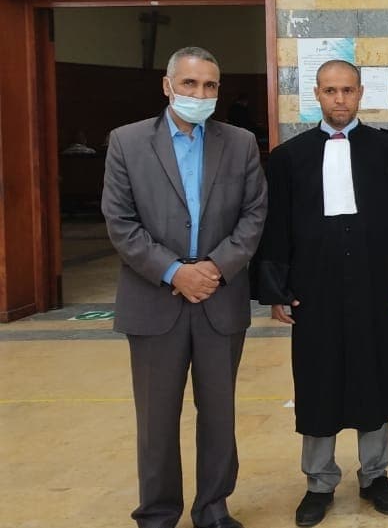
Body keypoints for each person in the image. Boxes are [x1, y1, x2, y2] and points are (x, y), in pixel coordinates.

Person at [252, 60, 388, 526]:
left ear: (360, 93)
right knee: (318, 380)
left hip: (376, 286)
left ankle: (375, 475)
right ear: (316, 93)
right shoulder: (289, 158)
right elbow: (276, 226)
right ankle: (319, 481)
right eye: (330, 90)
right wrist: (277, 288)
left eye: (347, 90)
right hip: (314, 290)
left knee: (375, 375)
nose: (339, 99)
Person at [101, 46, 267, 528]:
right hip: (155, 298)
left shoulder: (239, 143)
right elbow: (120, 221)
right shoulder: (127, 142)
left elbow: (254, 214)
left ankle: (213, 508)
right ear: (168, 86)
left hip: (220, 296)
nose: (200, 93)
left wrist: (215, 267)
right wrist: (175, 271)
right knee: (156, 419)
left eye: (210, 85)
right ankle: (157, 513)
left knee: (218, 415)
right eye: (190, 83)